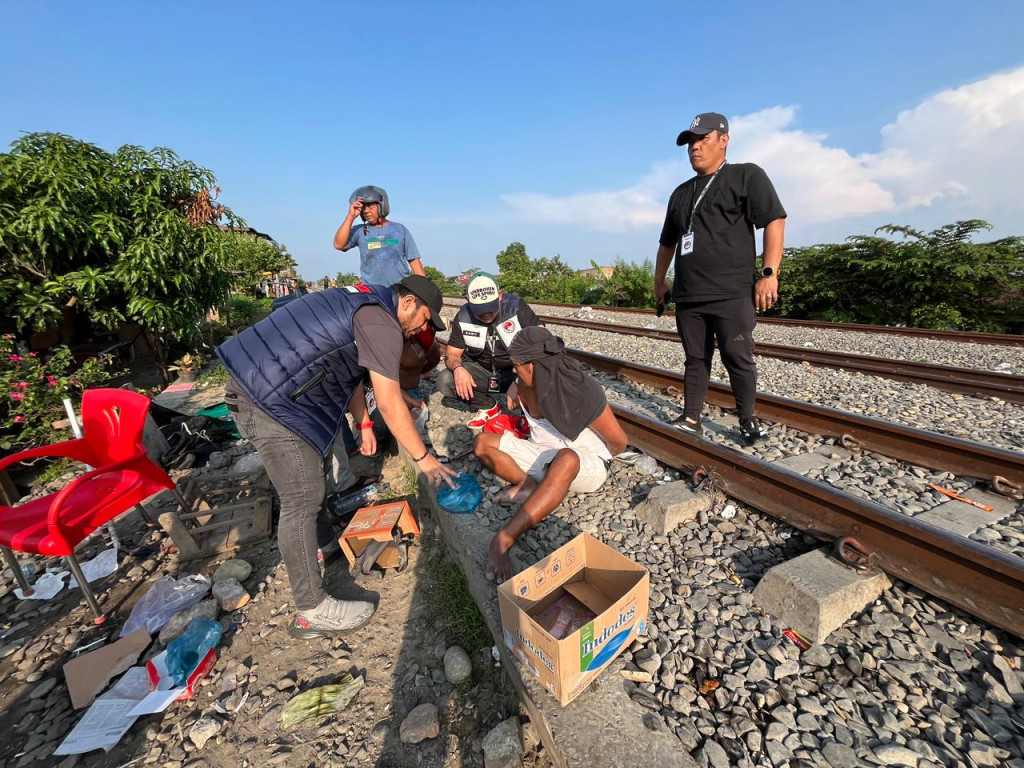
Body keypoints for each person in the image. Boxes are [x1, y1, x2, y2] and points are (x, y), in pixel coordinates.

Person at [217, 275, 457, 639]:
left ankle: (325, 543)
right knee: (301, 499)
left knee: (310, 482)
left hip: (267, 385)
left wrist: (363, 423)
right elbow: (389, 404)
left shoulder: (369, 303)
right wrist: (424, 459)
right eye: (425, 319)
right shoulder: (382, 322)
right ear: (408, 303)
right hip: (268, 397)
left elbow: (353, 372)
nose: (423, 329)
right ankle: (311, 610)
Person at [653, 112, 787, 445]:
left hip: (732, 291)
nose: (694, 147)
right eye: (690, 142)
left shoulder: (746, 176)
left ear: (724, 140)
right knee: (695, 358)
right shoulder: (680, 193)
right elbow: (667, 243)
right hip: (689, 294)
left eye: (703, 139)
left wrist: (769, 273)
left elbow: (774, 220)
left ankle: (747, 419)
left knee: (736, 355)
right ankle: (691, 418)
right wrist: (659, 282)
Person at [473, 327, 627, 582]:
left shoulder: (581, 390)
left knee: (566, 458)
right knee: (482, 443)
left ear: (534, 366)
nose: (514, 371)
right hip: (544, 453)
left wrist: (598, 460)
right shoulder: (522, 384)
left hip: (584, 461)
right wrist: (513, 387)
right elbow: (517, 387)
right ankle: (528, 486)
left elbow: (618, 442)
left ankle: (504, 538)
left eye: (517, 366)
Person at [437, 271, 542, 428]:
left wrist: (520, 379)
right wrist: (458, 369)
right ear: (467, 299)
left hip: (515, 371)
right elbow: (452, 354)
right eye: (480, 310)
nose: (486, 314)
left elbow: (542, 342)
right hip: (484, 373)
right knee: (445, 380)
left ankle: (530, 414)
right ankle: (489, 407)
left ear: (500, 296)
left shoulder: (517, 307)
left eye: (490, 307)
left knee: (544, 370)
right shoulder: (463, 317)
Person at [333, 186, 426, 286]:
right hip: (372, 291)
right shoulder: (360, 231)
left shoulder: (400, 230)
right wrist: (350, 216)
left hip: (399, 289)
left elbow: (414, 261)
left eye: (370, 206)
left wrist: (424, 288)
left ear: (382, 205)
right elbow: (339, 245)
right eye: (363, 207)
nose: (366, 211)